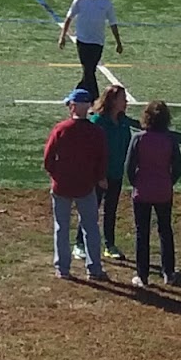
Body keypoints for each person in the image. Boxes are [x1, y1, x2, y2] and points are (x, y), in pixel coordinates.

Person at [43, 87, 109, 281]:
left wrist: (55, 175)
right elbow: (102, 159)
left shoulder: (61, 129)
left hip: (62, 185)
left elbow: (48, 157)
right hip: (86, 186)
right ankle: (94, 268)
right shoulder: (96, 132)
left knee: (61, 227)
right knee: (91, 227)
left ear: (72, 106)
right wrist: (98, 177)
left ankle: (62, 268)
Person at [126, 99, 181, 288]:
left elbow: (129, 167)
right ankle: (168, 272)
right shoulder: (170, 140)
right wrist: (168, 181)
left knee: (142, 232)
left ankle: (142, 275)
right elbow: (178, 167)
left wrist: (137, 183)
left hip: (142, 191)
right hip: (163, 191)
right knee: (165, 230)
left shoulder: (138, 138)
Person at [81, 84, 134, 263]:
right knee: (91, 209)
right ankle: (80, 243)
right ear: (112, 101)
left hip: (116, 174)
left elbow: (127, 144)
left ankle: (109, 245)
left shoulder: (123, 121)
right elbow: (91, 151)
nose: (126, 102)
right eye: (122, 99)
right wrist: (99, 175)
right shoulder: (98, 122)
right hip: (98, 175)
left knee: (111, 210)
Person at [55, 0, 123, 106]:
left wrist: (118, 42)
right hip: (82, 41)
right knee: (89, 70)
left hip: (97, 42)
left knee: (89, 71)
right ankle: (96, 100)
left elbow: (113, 23)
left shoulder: (106, 3)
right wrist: (62, 36)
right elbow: (69, 18)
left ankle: (76, 95)